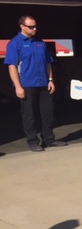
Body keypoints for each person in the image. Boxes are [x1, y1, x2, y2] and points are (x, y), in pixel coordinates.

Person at [4, 15, 67, 152]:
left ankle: (49, 139)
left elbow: (48, 63)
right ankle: (33, 142)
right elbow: (12, 66)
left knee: (48, 113)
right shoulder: (15, 43)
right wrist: (18, 86)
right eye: (31, 27)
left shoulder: (41, 43)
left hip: (44, 83)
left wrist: (51, 80)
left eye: (35, 26)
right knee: (29, 115)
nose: (34, 29)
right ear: (22, 26)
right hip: (26, 84)